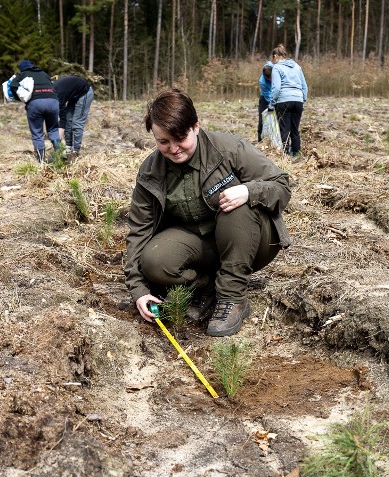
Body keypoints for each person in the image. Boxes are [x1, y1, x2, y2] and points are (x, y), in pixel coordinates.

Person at [125, 89, 291, 337]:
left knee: (236, 203)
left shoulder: (229, 149)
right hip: (200, 247)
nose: (174, 149)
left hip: (253, 242)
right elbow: (139, 230)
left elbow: (281, 185)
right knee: (155, 261)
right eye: (163, 142)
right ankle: (208, 286)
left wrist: (248, 191)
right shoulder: (151, 172)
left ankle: (233, 297)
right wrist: (138, 290)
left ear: (196, 127)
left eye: (180, 138)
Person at [10, 60, 61, 163]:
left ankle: (41, 161)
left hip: (35, 103)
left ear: (22, 68)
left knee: (37, 133)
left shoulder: (23, 74)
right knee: (53, 130)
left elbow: (12, 85)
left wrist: (19, 97)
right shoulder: (43, 73)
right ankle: (59, 155)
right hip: (53, 101)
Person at [268, 45, 308, 156]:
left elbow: (276, 88)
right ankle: (297, 154)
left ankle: (285, 155)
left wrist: (271, 104)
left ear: (276, 56)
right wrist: (302, 99)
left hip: (283, 101)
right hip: (298, 100)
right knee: (295, 130)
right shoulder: (297, 66)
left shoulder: (277, 68)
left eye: (273, 58)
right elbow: (304, 86)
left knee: (284, 129)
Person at [53, 75, 94, 155]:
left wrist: (59, 135)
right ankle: (68, 147)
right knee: (69, 119)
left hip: (84, 93)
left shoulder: (58, 95)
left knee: (77, 122)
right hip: (73, 95)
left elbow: (62, 118)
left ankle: (76, 151)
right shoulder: (51, 95)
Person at [257, 60, 273, 143]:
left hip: (278, 96)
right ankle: (260, 140)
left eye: (271, 77)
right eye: (268, 78)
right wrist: (273, 105)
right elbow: (268, 97)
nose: (270, 79)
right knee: (262, 119)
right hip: (265, 98)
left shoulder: (275, 68)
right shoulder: (262, 81)